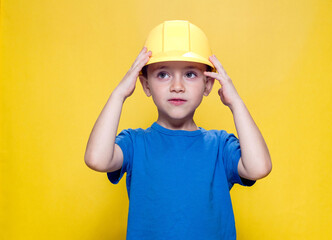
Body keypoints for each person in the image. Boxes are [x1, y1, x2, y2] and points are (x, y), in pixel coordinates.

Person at [84, 20, 272, 240]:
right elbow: (97, 159)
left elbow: (259, 167)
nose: (177, 86)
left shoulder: (220, 146)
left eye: (190, 74)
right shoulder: (135, 143)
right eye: (163, 74)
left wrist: (236, 103)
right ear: (145, 85)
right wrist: (119, 94)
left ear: (208, 84)